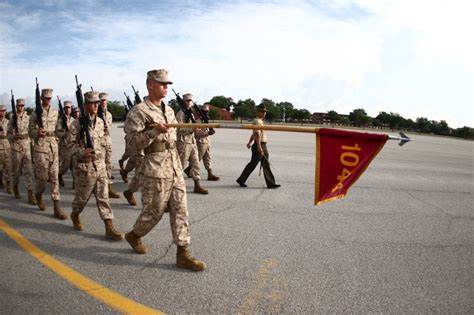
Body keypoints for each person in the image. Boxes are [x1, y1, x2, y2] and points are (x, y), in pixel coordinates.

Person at [124, 68, 206, 271]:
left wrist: (196, 129)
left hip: (175, 166)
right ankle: (134, 235)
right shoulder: (138, 111)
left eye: (168, 84)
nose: (166, 87)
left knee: (181, 209)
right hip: (155, 169)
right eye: (162, 83)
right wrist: (153, 131)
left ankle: (183, 253)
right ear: (150, 84)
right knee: (154, 212)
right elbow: (133, 143)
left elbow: (177, 132)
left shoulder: (169, 110)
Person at [68, 91, 123, 241]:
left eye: (98, 103)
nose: (96, 105)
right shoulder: (76, 124)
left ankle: (109, 227)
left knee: (103, 197)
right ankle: (75, 214)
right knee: (81, 199)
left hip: (100, 166)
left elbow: (104, 143)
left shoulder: (100, 121)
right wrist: (82, 152)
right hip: (85, 168)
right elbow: (70, 146)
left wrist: (106, 163)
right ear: (85, 105)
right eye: (93, 103)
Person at [28, 89, 67, 219]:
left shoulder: (55, 113)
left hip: (53, 147)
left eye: (50, 98)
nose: (48, 100)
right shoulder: (35, 113)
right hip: (40, 148)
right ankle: (38, 194)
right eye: (46, 98)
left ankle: (57, 207)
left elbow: (59, 129)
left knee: (54, 177)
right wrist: (37, 133)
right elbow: (30, 131)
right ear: (41, 98)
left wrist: (61, 136)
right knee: (42, 178)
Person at [236, 104, 280, 189]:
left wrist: (249, 142)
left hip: (261, 144)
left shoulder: (260, 121)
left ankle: (270, 183)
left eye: (265, 112)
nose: (264, 113)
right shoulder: (257, 121)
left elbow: (254, 134)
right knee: (253, 164)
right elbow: (257, 133)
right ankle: (241, 180)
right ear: (258, 112)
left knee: (266, 164)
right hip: (260, 145)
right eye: (263, 112)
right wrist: (259, 146)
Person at [176, 93, 208, 194]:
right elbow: (179, 129)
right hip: (183, 142)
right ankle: (174, 188)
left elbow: (196, 130)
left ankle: (197, 185)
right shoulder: (180, 114)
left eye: (190, 100)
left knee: (196, 164)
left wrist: (206, 133)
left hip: (192, 142)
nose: (189, 102)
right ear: (183, 101)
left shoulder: (192, 114)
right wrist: (191, 129)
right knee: (180, 166)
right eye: (187, 100)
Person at [7, 98, 36, 204]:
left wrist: (33, 146)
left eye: (23, 105)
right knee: (17, 171)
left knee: (28, 171)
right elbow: (7, 134)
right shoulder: (12, 118)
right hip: (16, 148)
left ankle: (30, 193)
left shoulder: (28, 118)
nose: (21, 107)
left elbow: (32, 131)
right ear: (16, 106)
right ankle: (15, 187)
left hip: (26, 147)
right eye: (19, 105)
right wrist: (13, 136)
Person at [99, 92, 120, 198]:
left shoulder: (109, 115)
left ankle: (109, 188)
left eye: (104, 100)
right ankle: (102, 188)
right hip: (99, 143)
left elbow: (109, 128)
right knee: (100, 166)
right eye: (101, 100)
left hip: (108, 142)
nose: (103, 102)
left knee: (108, 164)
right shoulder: (95, 114)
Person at [194, 103, 219, 181]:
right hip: (201, 142)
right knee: (197, 159)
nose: (206, 113)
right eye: (205, 111)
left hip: (207, 141)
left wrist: (211, 131)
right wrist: (207, 133)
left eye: (207, 111)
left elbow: (209, 129)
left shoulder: (207, 120)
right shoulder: (198, 121)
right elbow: (196, 133)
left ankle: (210, 174)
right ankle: (190, 171)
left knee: (208, 158)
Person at [56, 100, 74, 187]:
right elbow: (57, 133)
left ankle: (75, 182)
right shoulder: (60, 121)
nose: (67, 109)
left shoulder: (74, 120)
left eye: (69, 108)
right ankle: (59, 174)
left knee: (74, 164)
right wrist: (64, 134)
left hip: (73, 145)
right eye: (66, 108)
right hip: (64, 145)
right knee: (66, 164)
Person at [0, 105, 12, 194]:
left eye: (4, 111)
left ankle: (8, 185)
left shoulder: (8, 122)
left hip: (7, 146)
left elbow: (11, 134)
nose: (2, 112)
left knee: (8, 166)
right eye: (1, 111)